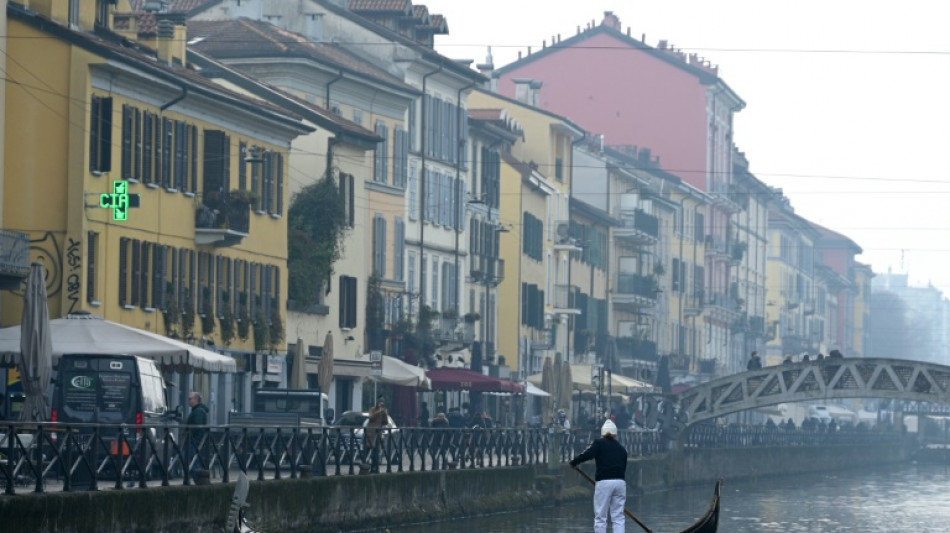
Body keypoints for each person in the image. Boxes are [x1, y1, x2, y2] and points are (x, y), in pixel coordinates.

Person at [570, 419, 628, 533]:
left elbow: (588, 454)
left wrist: (574, 462)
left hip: (604, 482)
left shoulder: (599, 443)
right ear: (615, 434)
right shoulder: (622, 449)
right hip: (620, 483)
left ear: (603, 433)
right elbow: (623, 467)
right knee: (618, 517)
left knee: (601, 516)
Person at [185, 391, 209, 482]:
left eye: (190, 399)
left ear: (196, 399)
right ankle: (196, 477)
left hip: (194, 440)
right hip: (195, 440)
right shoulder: (198, 411)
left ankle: (197, 477)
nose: (189, 401)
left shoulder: (198, 411)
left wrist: (192, 436)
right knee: (192, 458)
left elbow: (197, 426)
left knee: (190, 458)